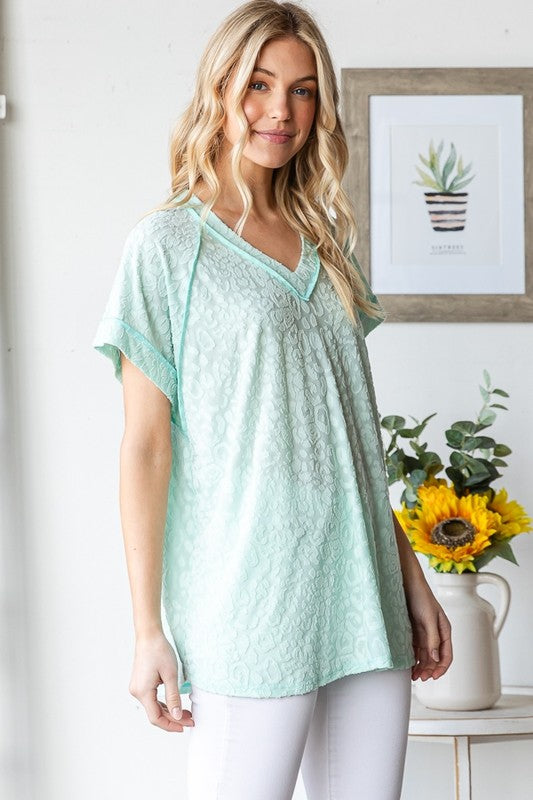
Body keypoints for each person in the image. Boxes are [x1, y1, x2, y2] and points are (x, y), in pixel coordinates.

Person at [92, 2, 452, 798]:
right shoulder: (167, 246)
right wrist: (147, 630)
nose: (280, 111)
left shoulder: (328, 245)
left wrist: (412, 580)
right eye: (258, 84)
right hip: (250, 604)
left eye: (302, 90)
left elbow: (347, 437)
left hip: (364, 598)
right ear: (219, 87)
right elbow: (145, 446)